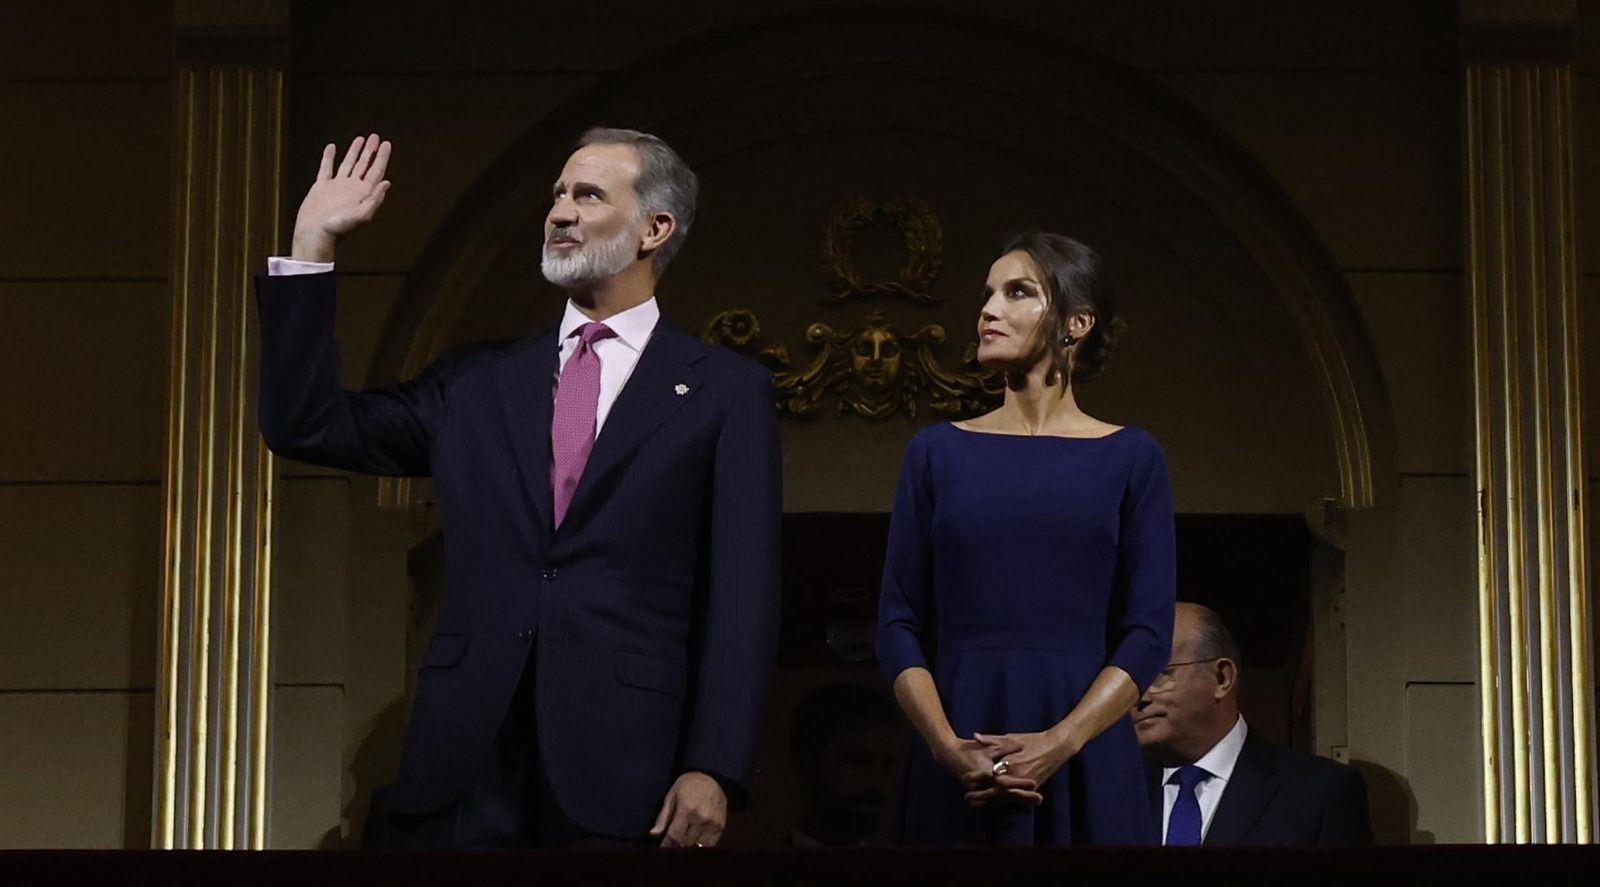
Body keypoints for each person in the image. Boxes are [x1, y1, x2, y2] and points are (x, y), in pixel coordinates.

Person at [256, 128, 782, 848]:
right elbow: (307, 425)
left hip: (630, 767)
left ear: (654, 229)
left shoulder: (725, 392)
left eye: (588, 195)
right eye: (557, 195)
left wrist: (714, 766)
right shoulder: (475, 382)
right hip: (466, 765)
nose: (560, 212)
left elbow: (742, 594)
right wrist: (311, 248)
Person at [876, 232, 1175, 845]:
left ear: (1076, 323)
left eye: (1017, 292)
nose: (988, 310)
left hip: (1085, 748)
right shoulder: (935, 453)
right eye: (987, 294)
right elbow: (896, 622)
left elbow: (1147, 632)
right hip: (960, 747)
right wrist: (946, 745)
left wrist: (1060, 742)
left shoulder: (1132, 457)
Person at [1133, 602, 1373, 845]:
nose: (1138, 697)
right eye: (1129, 680)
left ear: (1222, 678)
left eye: (1158, 674)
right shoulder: (1110, 796)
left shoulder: (1320, 795)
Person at [784, 684, 899, 847]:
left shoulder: (903, 871)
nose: (877, 780)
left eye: (887, 763)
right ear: (803, 769)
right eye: (858, 761)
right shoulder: (762, 871)